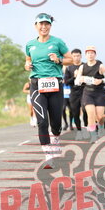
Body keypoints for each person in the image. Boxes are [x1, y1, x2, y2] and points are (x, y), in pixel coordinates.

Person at [24, 13, 72, 164]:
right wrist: (27, 65)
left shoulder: (58, 42)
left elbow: (70, 59)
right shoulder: (30, 44)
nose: (44, 27)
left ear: (50, 26)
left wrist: (58, 60)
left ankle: (56, 139)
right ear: (35, 26)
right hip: (37, 84)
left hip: (55, 84)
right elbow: (27, 61)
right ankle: (47, 152)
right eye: (41, 24)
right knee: (42, 121)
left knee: (56, 121)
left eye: (46, 24)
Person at [75, 46, 105, 140]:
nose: (90, 55)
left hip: (99, 93)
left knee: (100, 117)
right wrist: (80, 80)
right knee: (90, 114)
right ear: (85, 55)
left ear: (95, 54)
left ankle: (101, 127)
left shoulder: (100, 66)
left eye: (92, 53)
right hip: (88, 93)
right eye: (88, 53)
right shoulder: (82, 67)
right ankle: (93, 136)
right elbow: (76, 82)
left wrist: (101, 81)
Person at [63, 49, 86, 130]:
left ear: (81, 56)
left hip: (84, 91)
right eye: (74, 56)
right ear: (72, 57)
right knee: (75, 113)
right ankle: (79, 129)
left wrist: (82, 77)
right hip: (73, 93)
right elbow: (66, 82)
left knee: (85, 109)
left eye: (78, 56)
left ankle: (87, 124)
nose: (76, 58)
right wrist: (74, 77)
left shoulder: (85, 66)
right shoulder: (69, 68)